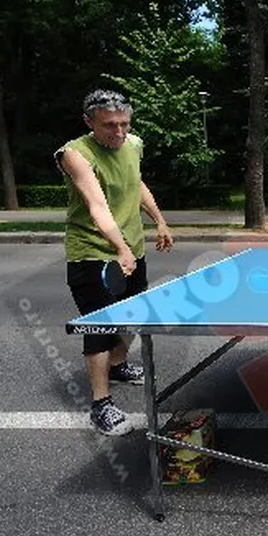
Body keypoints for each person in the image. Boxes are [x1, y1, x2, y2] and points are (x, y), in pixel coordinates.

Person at [55, 89, 174, 436]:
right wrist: (119, 247)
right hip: (92, 252)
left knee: (132, 315)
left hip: (131, 249)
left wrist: (159, 220)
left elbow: (136, 183)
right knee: (100, 327)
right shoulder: (75, 154)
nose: (119, 132)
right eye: (109, 125)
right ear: (89, 122)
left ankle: (118, 365)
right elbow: (97, 205)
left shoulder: (133, 144)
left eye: (124, 124)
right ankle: (101, 404)